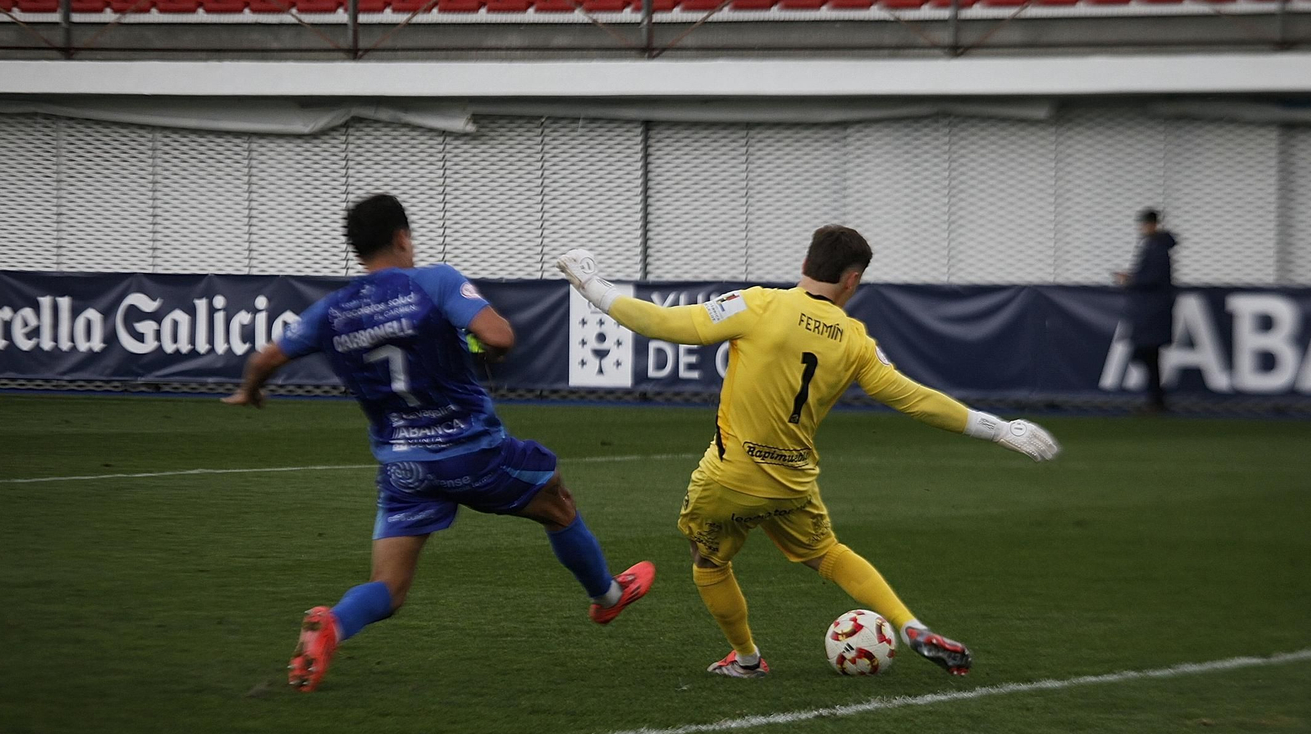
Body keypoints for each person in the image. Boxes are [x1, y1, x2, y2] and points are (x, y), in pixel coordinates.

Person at [555, 226, 1060, 680]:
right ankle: (909, 624)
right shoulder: (857, 340)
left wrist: (594, 288)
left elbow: (663, 324)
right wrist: (996, 429)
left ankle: (747, 659)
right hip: (793, 483)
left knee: (707, 560)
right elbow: (913, 397)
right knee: (828, 554)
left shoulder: (757, 305)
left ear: (805, 264)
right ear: (852, 280)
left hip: (729, 478)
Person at [223, 193, 654, 692]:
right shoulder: (434, 282)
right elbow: (499, 337)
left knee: (389, 587)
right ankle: (606, 597)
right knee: (557, 502)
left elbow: (264, 361)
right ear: (403, 237)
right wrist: (473, 342)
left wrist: (249, 392)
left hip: (404, 467)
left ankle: (332, 624)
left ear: (358, 250)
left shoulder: (331, 310)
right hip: (472, 450)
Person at [1114, 208, 1177, 414]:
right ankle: (1156, 400)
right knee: (1151, 357)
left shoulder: (1155, 248)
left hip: (1152, 311)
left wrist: (1130, 280)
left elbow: (1152, 279)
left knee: (1145, 354)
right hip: (1154, 309)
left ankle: (1156, 400)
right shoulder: (1157, 246)